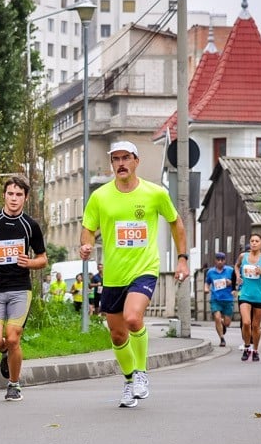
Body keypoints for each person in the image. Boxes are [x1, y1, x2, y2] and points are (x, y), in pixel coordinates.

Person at [79, 141, 188, 408]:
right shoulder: (100, 197)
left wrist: (183, 259)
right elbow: (88, 228)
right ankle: (129, 381)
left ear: (136, 161)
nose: (120, 163)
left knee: (132, 317)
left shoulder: (155, 193)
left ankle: (141, 373)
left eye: (125, 158)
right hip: (114, 274)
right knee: (116, 335)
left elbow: (176, 223)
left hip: (144, 269)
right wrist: (86, 245)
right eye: (115, 159)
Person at [0, 176, 48, 401]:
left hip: (19, 289)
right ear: (4, 195)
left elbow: (43, 259)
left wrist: (30, 262)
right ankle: (6, 353)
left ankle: (14, 384)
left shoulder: (30, 226)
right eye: (10, 194)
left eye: (19, 195)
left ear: (25, 197)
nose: (14, 199)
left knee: (13, 337)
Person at [234, 233, 261, 362]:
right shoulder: (243, 256)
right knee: (246, 323)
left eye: (256, 241)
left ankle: (255, 350)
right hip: (245, 294)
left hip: (259, 296)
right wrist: (238, 276)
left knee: (256, 326)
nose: (253, 243)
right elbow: (236, 266)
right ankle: (247, 347)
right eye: (252, 241)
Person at [204, 251, 236, 347]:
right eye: (218, 260)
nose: (220, 262)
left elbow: (236, 282)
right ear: (215, 261)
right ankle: (222, 339)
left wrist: (231, 283)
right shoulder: (210, 272)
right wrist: (206, 288)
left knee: (227, 323)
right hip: (216, 298)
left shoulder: (230, 270)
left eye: (222, 260)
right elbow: (207, 282)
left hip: (228, 299)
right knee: (217, 318)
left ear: (225, 261)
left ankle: (223, 324)